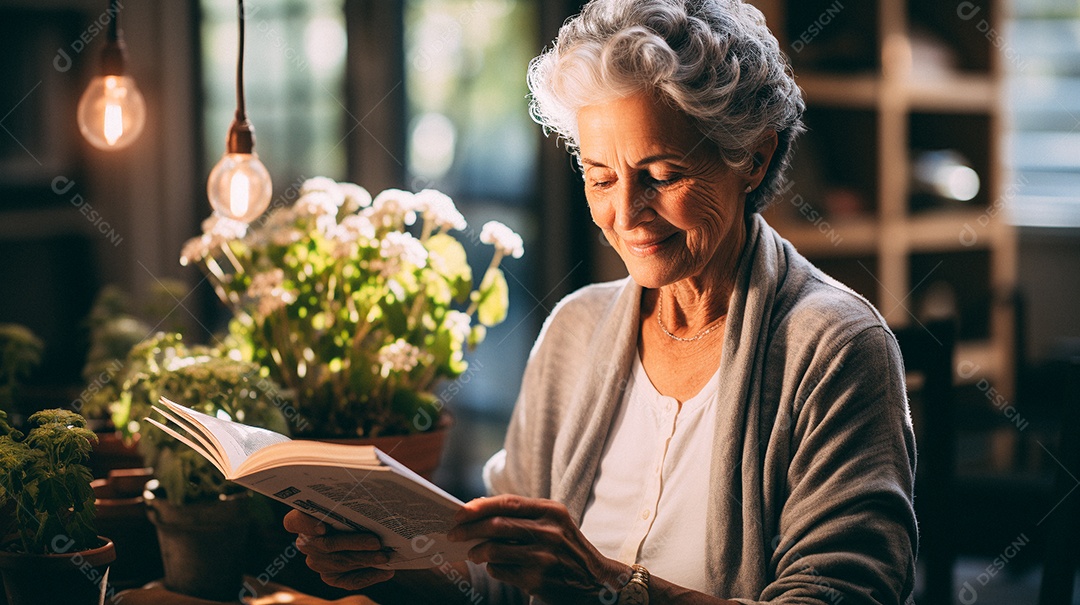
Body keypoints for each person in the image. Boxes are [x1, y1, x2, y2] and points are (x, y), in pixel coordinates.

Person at [286, 0, 918, 603]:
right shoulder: (576, 328)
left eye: (663, 175)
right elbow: (503, 584)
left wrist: (607, 589)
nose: (627, 213)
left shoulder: (836, 349)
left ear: (753, 157)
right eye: (601, 177)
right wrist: (384, 567)